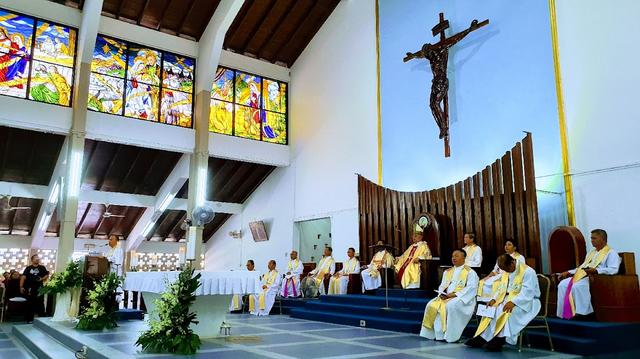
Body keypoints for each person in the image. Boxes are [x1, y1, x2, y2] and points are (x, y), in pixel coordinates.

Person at [467, 253, 540, 352]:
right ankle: (484, 336)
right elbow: (501, 288)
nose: (506, 271)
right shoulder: (506, 271)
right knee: (491, 309)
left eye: (507, 269)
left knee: (505, 310)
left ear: (512, 262)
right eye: (504, 270)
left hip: (526, 301)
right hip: (507, 298)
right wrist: (494, 299)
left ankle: (500, 339)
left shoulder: (528, 271)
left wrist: (514, 302)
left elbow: (528, 292)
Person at [556, 229, 620, 320]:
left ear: (602, 239)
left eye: (594, 238)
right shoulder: (591, 253)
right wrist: (569, 272)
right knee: (563, 284)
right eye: (591, 238)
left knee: (576, 286)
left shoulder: (611, 253)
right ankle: (566, 312)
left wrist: (596, 271)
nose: (592, 240)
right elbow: (583, 267)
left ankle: (582, 314)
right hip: (585, 275)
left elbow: (613, 269)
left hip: (598, 278)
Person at [420, 249, 478, 343]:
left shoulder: (470, 272)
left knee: (450, 306)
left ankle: (451, 336)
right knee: (431, 304)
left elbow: (471, 288)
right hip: (447, 297)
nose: (454, 258)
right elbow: (442, 285)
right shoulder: (448, 271)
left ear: (464, 258)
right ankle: (439, 335)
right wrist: (441, 293)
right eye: (452, 256)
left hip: (462, 298)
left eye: (456, 256)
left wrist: (454, 295)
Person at [395, 224, 432, 289]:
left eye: (415, 236)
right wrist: (398, 258)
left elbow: (427, 255)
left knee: (408, 268)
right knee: (400, 266)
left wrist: (419, 258)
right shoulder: (411, 246)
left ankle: (411, 286)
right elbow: (404, 255)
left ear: (421, 237)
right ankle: (405, 285)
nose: (413, 237)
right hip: (408, 263)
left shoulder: (423, 245)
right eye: (413, 236)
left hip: (416, 263)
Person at [20, 255, 50, 323]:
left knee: (40, 302)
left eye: (38, 258)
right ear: (32, 260)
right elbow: (23, 277)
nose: (37, 259)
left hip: (39, 288)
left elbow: (46, 275)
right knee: (30, 303)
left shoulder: (42, 267)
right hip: (30, 288)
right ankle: (29, 319)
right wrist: (21, 286)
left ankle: (42, 318)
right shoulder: (28, 268)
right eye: (35, 258)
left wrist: (41, 279)